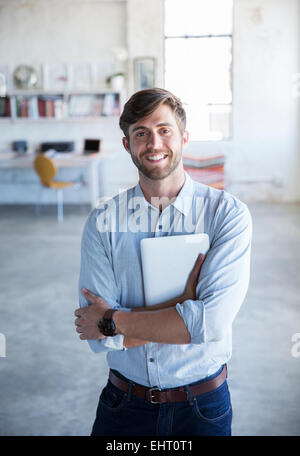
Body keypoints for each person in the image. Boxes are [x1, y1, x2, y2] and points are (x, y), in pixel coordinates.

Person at [74, 88, 252, 436]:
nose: (154, 142)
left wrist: (113, 320)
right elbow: (98, 337)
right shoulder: (103, 221)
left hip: (202, 408)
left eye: (164, 130)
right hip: (123, 406)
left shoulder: (226, 215)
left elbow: (210, 325)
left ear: (183, 137)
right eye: (141, 133)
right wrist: (183, 307)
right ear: (128, 145)